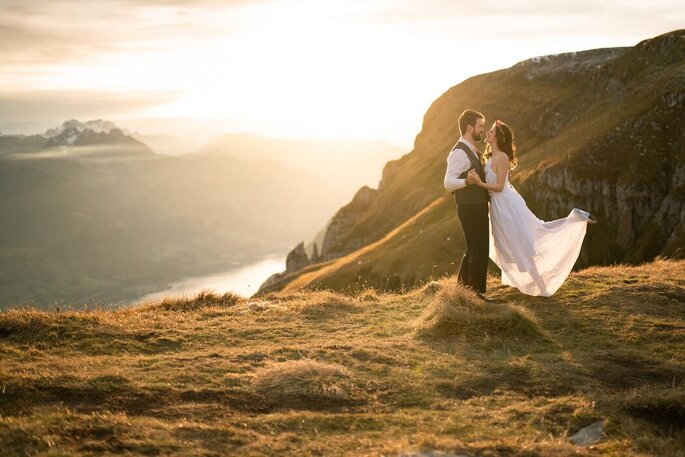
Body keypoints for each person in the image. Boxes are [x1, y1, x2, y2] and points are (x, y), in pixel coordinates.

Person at [468, 119, 597, 297]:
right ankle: (523, 281)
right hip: (497, 208)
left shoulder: (502, 158)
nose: (487, 133)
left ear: (497, 137)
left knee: (524, 243)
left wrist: (478, 183)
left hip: (506, 205)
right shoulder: (489, 157)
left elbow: (498, 187)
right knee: (509, 244)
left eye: (491, 131)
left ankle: (574, 219)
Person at [443, 109, 490, 299]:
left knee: (475, 248)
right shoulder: (459, 153)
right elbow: (448, 183)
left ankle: (462, 290)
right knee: (479, 248)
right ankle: (477, 294)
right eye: (480, 126)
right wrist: (467, 182)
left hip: (475, 205)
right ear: (469, 128)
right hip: (469, 207)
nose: (483, 130)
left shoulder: (470, 148)